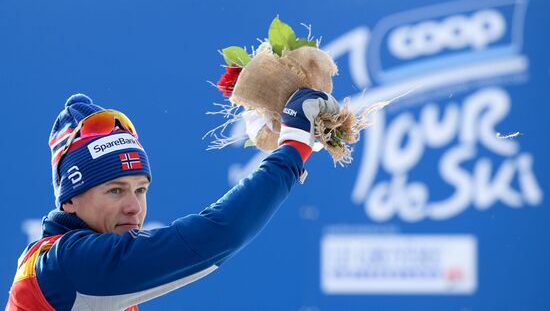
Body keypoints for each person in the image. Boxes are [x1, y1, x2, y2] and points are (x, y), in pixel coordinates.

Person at [6, 88, 340, 310]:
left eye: (141, 189)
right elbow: (216, 235)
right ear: (70, 200)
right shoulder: (67, 266)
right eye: (115, 190)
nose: (134, 207)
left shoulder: (92, 278)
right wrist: (293, 148)